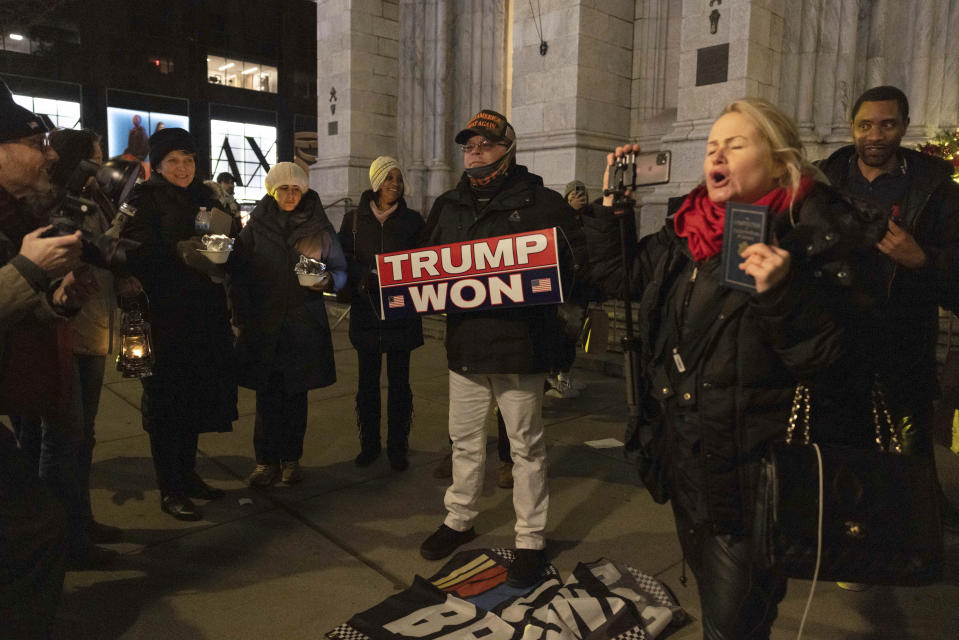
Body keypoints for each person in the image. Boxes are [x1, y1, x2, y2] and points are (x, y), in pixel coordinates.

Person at [583, 98, 886, 639]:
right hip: (691, 468)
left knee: (732, 626)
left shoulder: (816, 232)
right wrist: (613, 211)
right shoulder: (687, 228)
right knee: (725, 612)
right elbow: (621, 278)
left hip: (756, 484)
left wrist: (783, 294)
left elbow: (837, 365)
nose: (716, 155)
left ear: (779, 160)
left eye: (735, 144)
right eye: (710, 147)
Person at [418, 109, 587, 589]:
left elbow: (575, 267)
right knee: (465, 443)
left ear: (508, 149)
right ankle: (459, 518)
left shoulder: (542, 203)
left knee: (526, 447)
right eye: (469, 144)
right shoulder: (448, 205)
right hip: (466, 346)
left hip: (520, 348)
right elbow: (423, 267)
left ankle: (530, 538)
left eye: (485, 143)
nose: (475, 150)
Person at [817, 86, 959, 526]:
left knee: (909, 448)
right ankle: (848, 534)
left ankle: (913, 539)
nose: (874, 134)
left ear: (904, 127)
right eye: (865, 125)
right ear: (852, 128)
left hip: (903, 341)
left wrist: (923, 259)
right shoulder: (825, 180)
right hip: (837, 339)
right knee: (840, 444)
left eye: (887, 124)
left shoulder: (934, 188)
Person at [0, 88, 89, 637]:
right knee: (34, 526)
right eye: (36, 143)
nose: (51, 155)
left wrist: (59, 301)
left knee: (38, 524)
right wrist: (29, 272)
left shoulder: (14, 216)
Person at [121, 127, 237, 521]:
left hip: (203, 315)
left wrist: (226, 243)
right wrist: (174, 251)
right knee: (166, 404)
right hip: (164, 318)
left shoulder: (204, 197)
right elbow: (130, 249)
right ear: (157, 164)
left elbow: (223, 238)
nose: (183, 168)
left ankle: (187, 476)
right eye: (174, 161)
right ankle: (169, 488)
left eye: (188, 160)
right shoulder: (143, 198)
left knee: (193, 401)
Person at [229, 162, 346, 486]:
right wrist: (240, 311)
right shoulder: (255, 227)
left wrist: (325, 279)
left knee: (296, 397)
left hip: (302, 325)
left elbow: (340, 272)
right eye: (284, 189)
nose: (291, 194)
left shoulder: (318, 226)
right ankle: (265, 462)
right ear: (273, 191)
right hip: (264, 324)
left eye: (296, 189)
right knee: (267, 397)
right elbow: (238, 272)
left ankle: (291, 459)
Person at [339, 156, 423, 471]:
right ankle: (370, 444)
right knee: (368, 383)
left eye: (399, 179)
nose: (395, 185)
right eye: (389, 179)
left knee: (400, 384)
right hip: (367, 311)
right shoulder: (354, 219)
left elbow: (422, 259)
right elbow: (343, 257)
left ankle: (397, 446)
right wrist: (365, 277)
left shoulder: (413, 220)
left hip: (402, 313)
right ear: (376, 182)